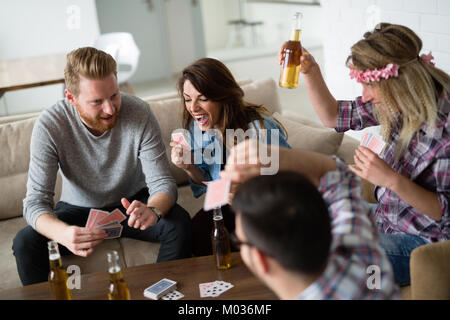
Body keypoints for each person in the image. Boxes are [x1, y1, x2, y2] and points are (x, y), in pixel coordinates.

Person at [279, 23, 450, 286]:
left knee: (327, 254)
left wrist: (390, 179)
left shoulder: (444, 130)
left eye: (369, 86)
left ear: (398, 80)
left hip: (423, 243)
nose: (365, 96)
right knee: (305, 216)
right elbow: (333, 116)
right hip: (386, 217)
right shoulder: (398, 100)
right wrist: (311, 72)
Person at [13, 47, 192, 286]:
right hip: (77, 209)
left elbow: (162, 183)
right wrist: (63, 234)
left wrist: (154, 210)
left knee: (179, 226)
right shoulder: (50, 125)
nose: (110, 109)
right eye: (97, 102)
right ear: (71, 98)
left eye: (114, 96)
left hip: (133, 203)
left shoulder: (140, 112)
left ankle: (158, 292)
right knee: (25, 243)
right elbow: (35, 202)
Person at [222, 141, 400, 299]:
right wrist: (275, 156)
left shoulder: (360, 250)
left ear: (260, 259)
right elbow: (342, 178)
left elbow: (341, 179)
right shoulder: (361, 254)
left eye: (238, 239)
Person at [170, 58, 290, 256]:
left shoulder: (261, 128)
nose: (193, 108)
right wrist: (189, 167)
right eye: (188, 99)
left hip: (266, 208)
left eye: (202, 98)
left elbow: (291, 181)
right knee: (194, 235)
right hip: (225, 206)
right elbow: (204, 185)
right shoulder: (196, 129)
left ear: (221, 96)